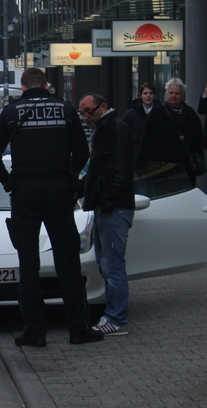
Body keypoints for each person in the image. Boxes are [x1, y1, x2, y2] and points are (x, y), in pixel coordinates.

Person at [0, 67, 103, 347]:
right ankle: (78, 328)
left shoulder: (12, 113)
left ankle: (34, 332)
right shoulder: (65, 109)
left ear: (23, 87)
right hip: (59, 189)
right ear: (46, 86)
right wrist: (71, 178)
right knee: (67, 260)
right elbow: (83, 151)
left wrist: (9, 182)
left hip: (25, 191)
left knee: (28, 263)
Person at [78, 93, 135, 336]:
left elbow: (119, 170)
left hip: (113, 207)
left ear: (102, 107)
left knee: (112, 265)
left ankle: (117, 318)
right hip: (106, 206)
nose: (85, 116)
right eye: (82, 112)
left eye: (88, 110)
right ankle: (113, 315)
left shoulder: (116, 128)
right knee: (107, 264)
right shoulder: (104, 129)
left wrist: (107, 202)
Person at [140, 78, 204, 188]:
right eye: (171, 93)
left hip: (185, 166)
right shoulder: (157, 114)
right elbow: (147, 140)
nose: (173, 96)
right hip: (163, 165)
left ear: (182, 95)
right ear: (166, 94)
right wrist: (142, 164)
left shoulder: (190, 114)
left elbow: (198, 140)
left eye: (177, 93)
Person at [122, 83, 160, 150]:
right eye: (145, 93)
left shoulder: (161, 113)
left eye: (151, 93)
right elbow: (123, 131)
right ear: (140, 96)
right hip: (135, 152)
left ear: (155, 95)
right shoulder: (131, 113)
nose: (148, 96)